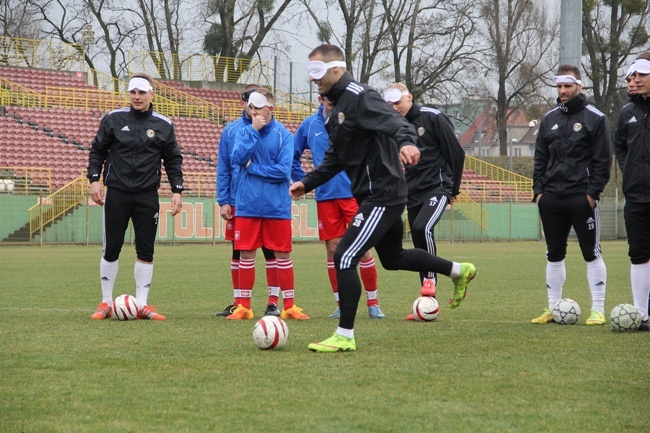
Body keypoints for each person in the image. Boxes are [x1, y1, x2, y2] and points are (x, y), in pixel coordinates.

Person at [290, 44, 476, 352]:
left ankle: (345, 335)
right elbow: (336, 157)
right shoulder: (334, 113)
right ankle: (459, 270)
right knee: (393, 258)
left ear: (336, 68)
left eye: (317, 72)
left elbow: (396, 124)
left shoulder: (360, 96)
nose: (313, 80)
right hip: (373, 194)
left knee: (345, 256)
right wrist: (306, 183)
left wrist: (406, 143)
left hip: (383, 194)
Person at [87, 73, 184, 321]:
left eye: (142, 92)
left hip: (147, 195)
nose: (137, 97)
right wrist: (94, 180)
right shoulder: (113, 119)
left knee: (146, 249)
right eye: (133, 92)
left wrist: (177, 190)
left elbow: (172, 159)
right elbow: (97, 150)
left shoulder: (164, 124)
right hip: (117, 192)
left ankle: (141, 304)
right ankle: (106, 302)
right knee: (112, 248)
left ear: (152, 94)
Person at [292, 95, 386, 319]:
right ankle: (341, 304)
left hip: (354, 195)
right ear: (320, 99)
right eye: (329, 101)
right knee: (333, 250)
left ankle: (373, 303)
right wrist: (303, 181)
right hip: (325, 197)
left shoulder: (350, 121)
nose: (332, 104)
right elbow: (292, 156)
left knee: (362, 248)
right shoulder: (310, 125)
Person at [531, 65, 611, 326]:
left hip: (581, 196)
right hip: (551, 197)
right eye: (559, 86)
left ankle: (597, 310)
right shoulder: (549, 119)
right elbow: (540, 158)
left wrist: (592, 193)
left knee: (591, 252)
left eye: (567, 86)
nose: (562, 91)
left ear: (579, 85)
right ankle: (553, 308)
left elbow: (602, 160)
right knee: (554, 253)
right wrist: (539, 191)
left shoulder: (595, 118)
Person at [383, 83, 465, 320]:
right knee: (418, 238)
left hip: (437, 186)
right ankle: (429, 304)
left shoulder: (433, 117)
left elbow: (457, 153)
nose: (394, 107)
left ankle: (429, 281)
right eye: (390, 104)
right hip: (410, 191)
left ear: (410, 97)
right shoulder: (392, 125)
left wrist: (453, 189)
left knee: (422, 227)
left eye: (397, 102)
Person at [228, 88, 310, 320]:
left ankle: (289, 306)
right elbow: (237, 159)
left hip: (277, 207)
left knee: (282, 256)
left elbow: (283, 171)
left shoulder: (285, 136)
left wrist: (252, 168)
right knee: (246, 255)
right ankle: (244, 306)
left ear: (270, 109)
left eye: (258, 108)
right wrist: (253, 131)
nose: (253, 112)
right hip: (248, 205)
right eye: (250, 108)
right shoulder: (245, 132)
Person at [216, 85, 282, 318]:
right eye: (249, 103)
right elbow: (224, 166)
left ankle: (273, 302)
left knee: (271, 251)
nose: (252, 108)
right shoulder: (232, 130)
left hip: (267, 202)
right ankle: (240, 303)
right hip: (238, 200)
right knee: (239, 252)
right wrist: (224, 200)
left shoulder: (275, 132)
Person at [614, 55, 650, 332]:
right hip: (636, 196)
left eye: (641, 75)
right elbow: (620, 148)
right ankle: (641, 315)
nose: (635, 80)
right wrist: (630, 172)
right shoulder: (627, 113)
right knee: (639, 254)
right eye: (632, 75)